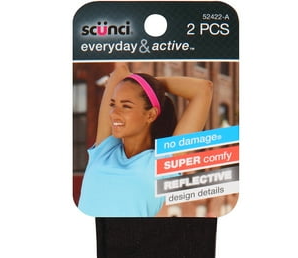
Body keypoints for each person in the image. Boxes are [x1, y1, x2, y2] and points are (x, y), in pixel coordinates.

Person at [77, 63, 213, 217]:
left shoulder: (165, 162)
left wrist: (150, 86)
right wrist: (144, 85)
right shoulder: (104, 150)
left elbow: (203, 89)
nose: (114, 113)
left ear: (151, 115)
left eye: (126, 106)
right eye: (113, 104)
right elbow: (120, 72)